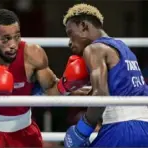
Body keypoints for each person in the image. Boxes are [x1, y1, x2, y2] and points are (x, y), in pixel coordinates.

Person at [0, 9, 89, 147]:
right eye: (6, 39)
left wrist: (66, 85)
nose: (13, 45)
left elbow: (51, 89)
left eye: (17, 37)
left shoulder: (32, 54)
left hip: (23, 134)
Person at [63, 3, 148, 147]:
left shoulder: (93, 49)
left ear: (84, 26)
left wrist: (82, 130)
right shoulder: (124, 48)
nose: (69, 42)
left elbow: (101, 95)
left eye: (70, 33)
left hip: (122, 129)